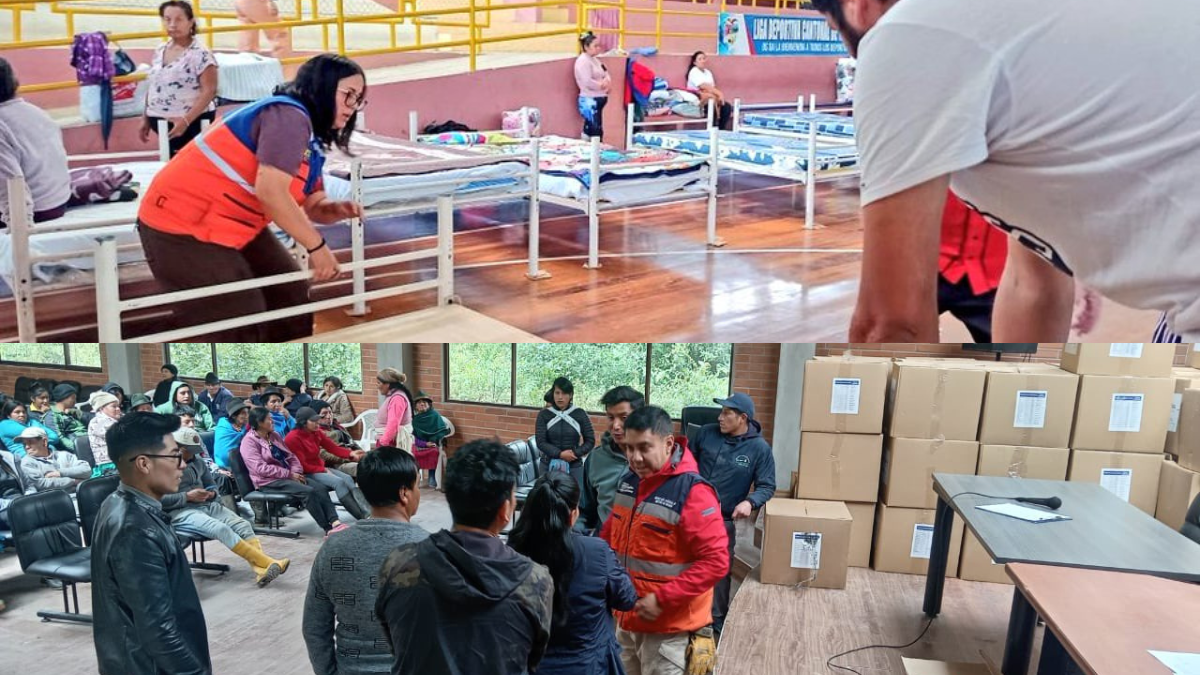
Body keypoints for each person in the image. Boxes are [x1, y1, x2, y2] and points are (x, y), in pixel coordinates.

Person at [809, 0, 1200, 342]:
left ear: (856, 6)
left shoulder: (910, 32)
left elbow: (889, 326)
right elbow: (1033, 286)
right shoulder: (1027, 31)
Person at [136, 53, 367, 341]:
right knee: (238, 311)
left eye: (358, 99)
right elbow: (270, 192)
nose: (353, 107)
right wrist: (317, 247)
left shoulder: (312, 139)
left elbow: (311, 202)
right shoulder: (288, 116)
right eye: (348, 95)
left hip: (231, 221)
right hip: (178, 223)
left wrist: (330, 209)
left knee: (289, 295)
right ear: (321, 86)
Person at [376, 439, 554, 675]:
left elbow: (396, 642)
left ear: (450, 497)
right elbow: (531, 658)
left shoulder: (399, 563)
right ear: (505, 509)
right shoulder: (536, 581)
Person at [601, 406, 728, 675]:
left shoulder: (694, 493)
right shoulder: (629, 483)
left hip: (670, 634)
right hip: (626, 623)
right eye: (629, 448)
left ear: (668, 443)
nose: (634, 458)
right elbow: (607, 539)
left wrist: (662, 599)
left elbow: (716, 562)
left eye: (644, 448)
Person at [91, 412, 211, 675]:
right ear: (144, 464)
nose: (182, 465)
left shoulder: (118, 503)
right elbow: (158, 630)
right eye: (174, 456)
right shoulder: (134, 530)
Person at [303, 447, 429, 675]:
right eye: (417, 486)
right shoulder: (431, 549)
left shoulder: (333, 548)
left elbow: (314, 627)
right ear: (404, 493)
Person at [509, 472, 638, 675]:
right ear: (573, 513)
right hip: (590, 665)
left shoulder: (514, 551)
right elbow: (627, 598)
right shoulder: (596, 552)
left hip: (531, 664)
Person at [691, 392, 776, 638]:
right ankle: (684, 613)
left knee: (719, 570)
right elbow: (687, 464)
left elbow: (767, 486)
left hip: (722, 519)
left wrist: (750, 502)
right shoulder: (706, 433)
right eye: (721, 412)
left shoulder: (759, 448)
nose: (720, 417)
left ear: (743, 418)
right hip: (691, 513)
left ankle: (715, 621)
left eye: (727, 413)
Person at [164, 425, 290, 586]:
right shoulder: (162, 466)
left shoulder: (198, 462)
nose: (194, 454)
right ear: (178, 447)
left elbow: (212, 485)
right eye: (189, 450)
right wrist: (186, 497)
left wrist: (211, 494)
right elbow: (159, 500)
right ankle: (268, 562)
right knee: (220, 528)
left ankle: (261, 570)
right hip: (181, 511)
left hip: (206, 505)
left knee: (243, 525)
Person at [240, 406, 346, 534]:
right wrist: (289, 474)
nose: (272, 421)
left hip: (287, 475)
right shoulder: (249, 441)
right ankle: (327, 528)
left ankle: (335, 522)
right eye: (269, 419)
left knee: (320, 488)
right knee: (308, 491)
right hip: (268, 481)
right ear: (259, 422)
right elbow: (260, 468)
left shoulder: (274, 435)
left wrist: (296, 472)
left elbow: (290, 456)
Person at [0, 57, 71, 228]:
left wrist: (20, 231)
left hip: (35, 210)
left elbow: (9, 183)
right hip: (58, 199)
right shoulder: (35, 112)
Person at [141, 0, 218, 158]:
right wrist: (145, 118)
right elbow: (155, 84)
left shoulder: (200, 54)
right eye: (167, 19)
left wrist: (185, 121)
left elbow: (209, 90)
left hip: (191, 123)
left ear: (191, 22)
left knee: (191, 163)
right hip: (159, 120)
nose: (173, 24)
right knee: (168, 164)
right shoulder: (161, 49)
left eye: (179, 19)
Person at [285, 406, 370, 520]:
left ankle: (368, 512)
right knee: (338, 482)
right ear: (303, 423)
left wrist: (350, 454)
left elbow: (333, 448)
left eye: (317, 421)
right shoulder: (292, 438)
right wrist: (323, 470)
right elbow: (302, 466)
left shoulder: (316, 432)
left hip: (319, 468)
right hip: (306, 473)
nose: (317, 424)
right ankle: (361, 517)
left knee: (348, 479)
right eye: (313, 421)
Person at [578, 385, 644, 535]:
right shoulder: (596, 459)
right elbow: (585, 510)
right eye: (610, 417)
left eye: (624, 418)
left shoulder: (656, 459)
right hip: (606, 542)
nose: (616, 426)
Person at [535, 376, 595, 487]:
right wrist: (560, 454)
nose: (560, 397)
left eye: (564, 393)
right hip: (547, 463)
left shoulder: (580, 413)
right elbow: (540, 441)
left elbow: (590, 441)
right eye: (557, 393)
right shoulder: (544, 414)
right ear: (553, 394)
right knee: (546, 499)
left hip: (574, 465)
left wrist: (575, 453)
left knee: (574, 500)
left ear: (571, 395)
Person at [17, 426, 91, 493]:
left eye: (30, 442)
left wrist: (60, 473)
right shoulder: (26, 463)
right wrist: (74, 481)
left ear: (44, 442)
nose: (27, 447)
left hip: (80, 494)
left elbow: (87, 470)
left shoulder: (63, 455)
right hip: (53, 501)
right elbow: (39, 483)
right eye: (24, 444)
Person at [308, 399, 361, 476]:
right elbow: (324, 455)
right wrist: (350, 457)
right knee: (365, 468)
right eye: (324, 414)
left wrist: (362, 454)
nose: (329, 416)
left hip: (350, 455)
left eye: (330, 412)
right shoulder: (315, 433)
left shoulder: (337, 426)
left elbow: (352, 442)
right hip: (336, 464)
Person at [575, 32, 611, 140]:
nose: (598, 48)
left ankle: (591, 148)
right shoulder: (583, 61)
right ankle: (593, 150)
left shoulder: (596, 60)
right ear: (586, 47)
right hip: (589, 99)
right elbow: (587, 81)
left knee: (592, 127)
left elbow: (606, 72)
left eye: (598, 45)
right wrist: (601, 85)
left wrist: (607, 81)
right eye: (595, 46)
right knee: (595, 129)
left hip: (599, 97)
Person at [685, 51, 732, 131]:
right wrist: (719, 93)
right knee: (711, 104)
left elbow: (712, 87)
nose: (703, 60)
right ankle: (712, 129)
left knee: (726, 107)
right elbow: (703, 86)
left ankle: (721, 129)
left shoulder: (708, 72)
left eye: (704, 58)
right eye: (700, 59)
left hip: (710, 96)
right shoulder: (694, 71)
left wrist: (717, 96)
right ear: (695, 62)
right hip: (698, 99)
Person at [411, 391, 449, 488]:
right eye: (419, 402)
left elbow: (441, 431)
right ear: (416, 406)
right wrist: (424, 443)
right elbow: (412, 436)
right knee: (413, 452)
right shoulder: (415, 420)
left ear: (429, 404)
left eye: (425, 402)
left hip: (433, 443)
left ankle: (432, 477)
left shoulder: (435, 415)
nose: (422, 404)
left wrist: (433, 440)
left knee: (434, 451)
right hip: (419, 444)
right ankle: (417, 477)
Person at [374, 368, 414, 452]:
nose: (377, 386)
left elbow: (393, 424)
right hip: (389, 441)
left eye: (379, 383)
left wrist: (383, 443)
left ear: (387, 384)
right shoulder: (393, 396)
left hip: (391, 444)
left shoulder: (397, 399)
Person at [87, 391, 124, 477]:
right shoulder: (98, 422)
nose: (118, 409)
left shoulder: (116, 420)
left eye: (118, 406)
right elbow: (122, 436)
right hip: (109, 466)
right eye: (113, 407)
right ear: (101, 408)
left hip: (121, 462)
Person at [44, 383, 88, 448]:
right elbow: (61, 439)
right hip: (78, 445)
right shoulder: (52, 416)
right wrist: (79, 449)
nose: (75, 401)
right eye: (73, 398)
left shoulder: (72, 411)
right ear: (64, 398)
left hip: (88, 439)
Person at [213, 397, 250, 471]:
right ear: (234, 416)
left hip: (242, 461)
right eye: (243, 413)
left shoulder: (244, 426)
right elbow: (224, 454)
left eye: (247, 412)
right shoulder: (224, 427)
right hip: (225, 465)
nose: (247, 416)